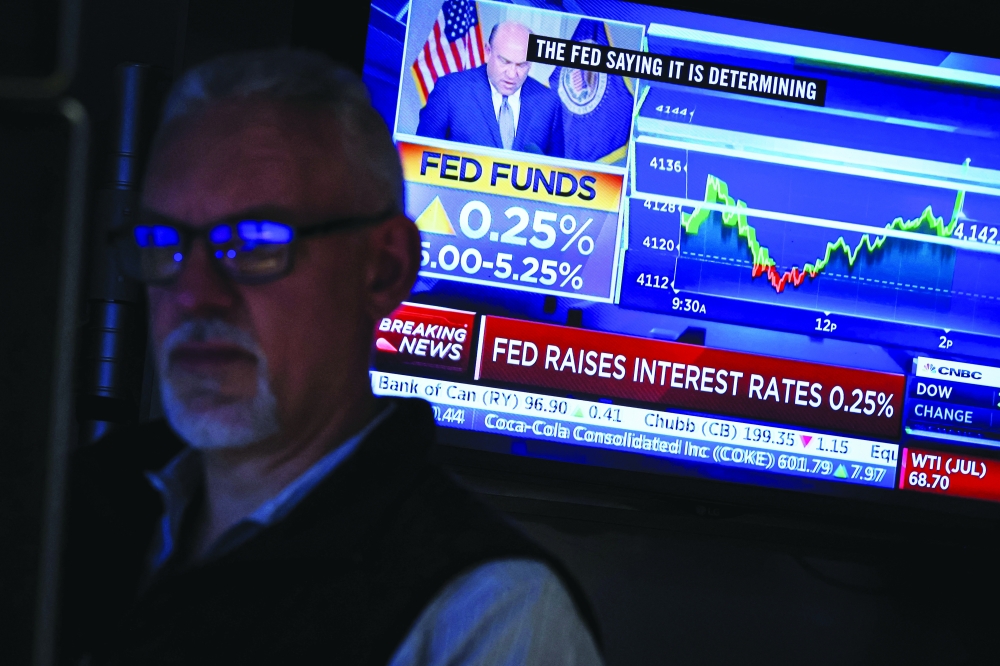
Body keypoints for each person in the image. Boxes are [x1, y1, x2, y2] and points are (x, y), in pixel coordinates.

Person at [57, 50, 602, 666]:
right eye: (164, 244)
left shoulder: (492, 615)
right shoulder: (64, 508)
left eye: (255, 243)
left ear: (384, 268)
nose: (192, 296)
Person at [416, 21, 564, 157]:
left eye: (522, 65)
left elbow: (558, 172)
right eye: (505, 61)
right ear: (488, 51)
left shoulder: (549, 102)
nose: (512, 74)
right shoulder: (450, 90)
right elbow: (420, 157)